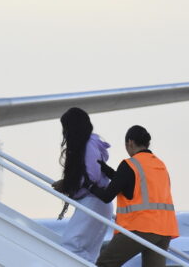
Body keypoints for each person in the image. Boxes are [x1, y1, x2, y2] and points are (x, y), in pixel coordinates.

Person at [88, 125, 178, 267]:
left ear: (130, 142)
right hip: (164, 230)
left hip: (140, 227)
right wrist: (106, 169)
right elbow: (130, 183)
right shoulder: (159, 164)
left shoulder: (130, 164)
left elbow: (107, 196)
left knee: (105, 263)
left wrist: (89, 186)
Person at [51, 107, 114, 263]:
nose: (65, 133)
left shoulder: (88, 145)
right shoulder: (89, 144)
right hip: (96, 202)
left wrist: (67, 184)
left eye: (66, 128)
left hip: (93, 200)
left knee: (71, 246)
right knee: (87, 253)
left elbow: (92, 175)